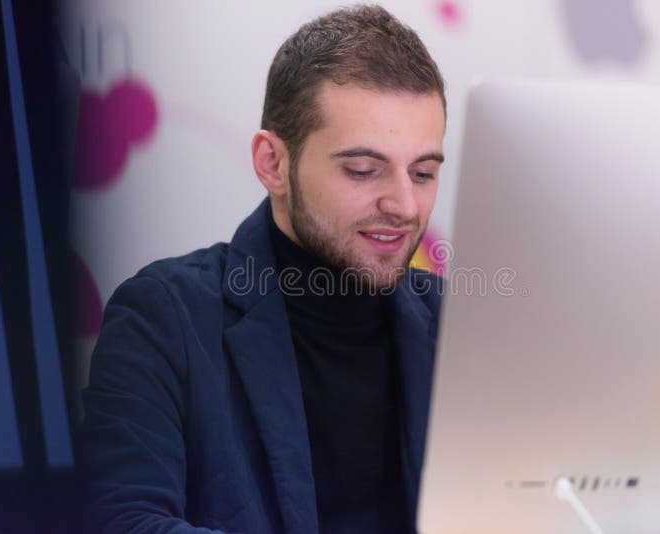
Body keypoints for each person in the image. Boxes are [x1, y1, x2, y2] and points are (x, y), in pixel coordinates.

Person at [79, 5, 447, 533]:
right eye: (363, 170)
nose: (405, 205)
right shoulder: (162, 320)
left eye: (423, 173)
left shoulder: (458, 327)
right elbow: (124, 521)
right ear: (272, 163)